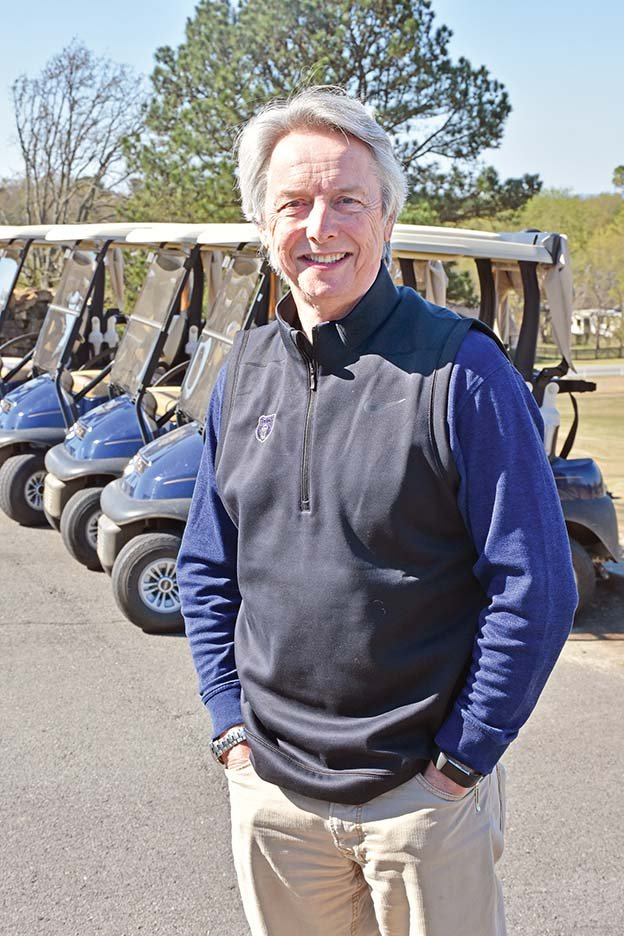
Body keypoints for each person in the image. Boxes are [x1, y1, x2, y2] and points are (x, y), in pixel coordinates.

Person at [178, 86, 577, 936]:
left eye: (347, 200)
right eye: (293, 203)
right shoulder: (242, 374)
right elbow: (206, 567)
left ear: (387, 217)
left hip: (420, 801)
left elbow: (535, 587)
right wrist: (228, 731)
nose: (319, 226)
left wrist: (463, 759)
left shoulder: (460, 373)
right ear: (264, 225)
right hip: (274, 797)